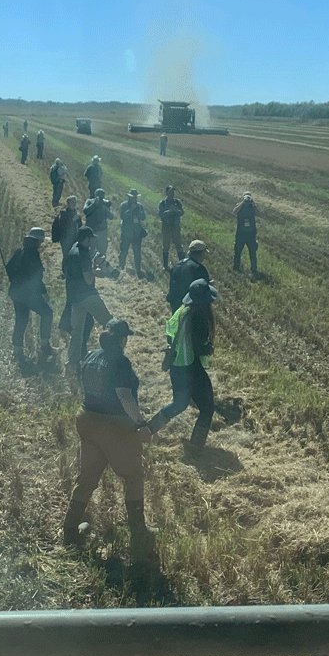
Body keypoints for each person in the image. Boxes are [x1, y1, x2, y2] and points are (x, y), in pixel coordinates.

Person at [62, 318, 157, 561]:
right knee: (133, 477)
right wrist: (140, 425)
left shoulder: (92, 356)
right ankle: (138, 532)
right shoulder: (120, 361)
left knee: (88, 478)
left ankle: (70, 530)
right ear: (123, 339)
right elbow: (125, 396)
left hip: (87, 419)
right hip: (113, 425)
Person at [150, 278, 218, 448]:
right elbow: (197, 348)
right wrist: (207, 349)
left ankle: (148, 429)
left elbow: (170, 334)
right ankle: (196, 447)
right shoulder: (199, 320)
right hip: (192, 369)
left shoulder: (182, 311)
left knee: (179, 404)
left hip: (177, 365)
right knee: (207, 408)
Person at [63, 226, 113, 368]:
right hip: (88, 296)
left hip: (74, 298)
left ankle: (73, 363)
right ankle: (113, 353)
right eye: (91, 239)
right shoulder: (84, 255)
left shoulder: (72, 251)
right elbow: (88, 280)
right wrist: (99, 270)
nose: (93, 242)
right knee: (109, 322)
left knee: (76, 333)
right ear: (86, 240)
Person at [6, 227, 55, 373]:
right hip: (28, 294)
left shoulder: (19, 251)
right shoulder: (33, 254)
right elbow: (36, 278)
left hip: (15, 292)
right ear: (38, 240)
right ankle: (45, 345)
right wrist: (44, 293)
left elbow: (8, 268)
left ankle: (17, 350)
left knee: (21, 320)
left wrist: (15, 281)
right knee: (47, 313)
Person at [167, 239, 210, 312]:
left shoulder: (177, 265)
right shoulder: (200, 269)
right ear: (201, 253)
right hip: (190, 309)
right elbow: (204, 294)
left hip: (175, 306)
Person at [118, 188, 147, 277]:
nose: (134, 199)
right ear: (129, 197)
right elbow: (122, 216)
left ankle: (138, 270)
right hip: (126, 233)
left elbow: (143, 217)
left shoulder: (140, 206)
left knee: (137, 252)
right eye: (132, 197)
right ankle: (121, 267)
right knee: (124, 251)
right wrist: (131, 210)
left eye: (135, 197)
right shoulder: (124, 205)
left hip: (136, 233)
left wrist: (138, 212)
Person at [157, 184, 185, 270]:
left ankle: (182, 265)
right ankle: (165, 266)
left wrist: (177, 210)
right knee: (166, 246)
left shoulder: (177, 202)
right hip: (166, 227)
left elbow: (182, 213)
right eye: (170, 192)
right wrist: (170, 211)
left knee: (179, 246)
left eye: (173, 192)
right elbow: (160, 214)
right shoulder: (162, 203)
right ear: (166, 193)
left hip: (175, 227)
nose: (172, 194)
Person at [233, 192, 259, 275]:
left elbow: (258, 214)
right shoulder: (240, 206)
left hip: (251, 234)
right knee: (237, 252)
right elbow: (234, 211)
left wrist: (253, 204)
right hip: (241, 233)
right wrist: (242, 203)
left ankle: (254, 269)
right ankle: (236, 268)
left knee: (252, 253)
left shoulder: (252, 207)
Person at [83, 187, 112, 257]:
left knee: (102, 251)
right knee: (90, 251)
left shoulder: (105, 203)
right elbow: (85, 211)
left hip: (102, 231)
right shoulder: (90, 201)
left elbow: (111, 216)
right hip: (91, 230)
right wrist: (94, 204)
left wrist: (104, 207)